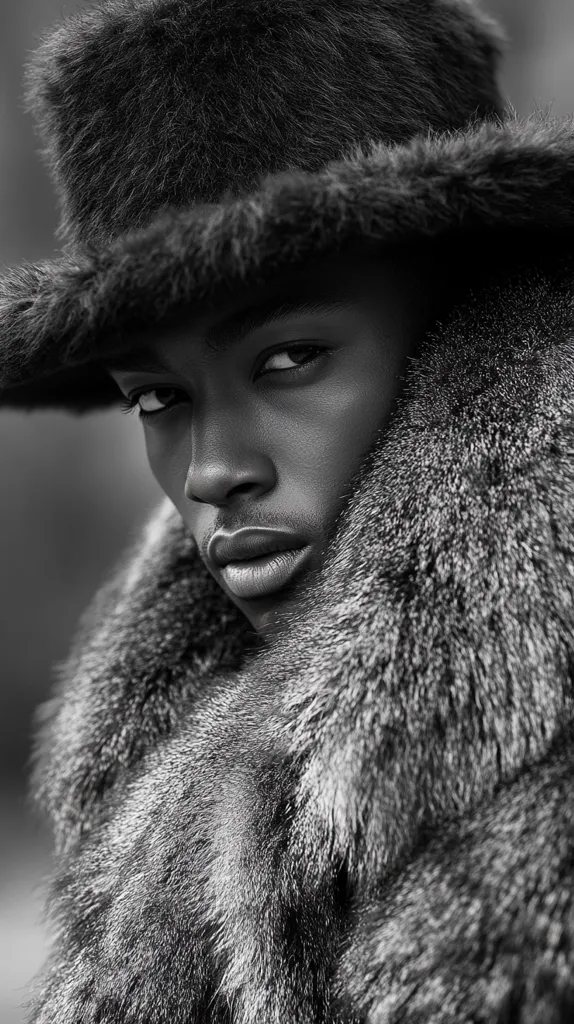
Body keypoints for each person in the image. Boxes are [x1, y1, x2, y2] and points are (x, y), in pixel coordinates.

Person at [1, 0, 573, 1021]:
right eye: (158, 398)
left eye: (288, 359)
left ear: (474, 329)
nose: (213, 468)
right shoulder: (147, 790)